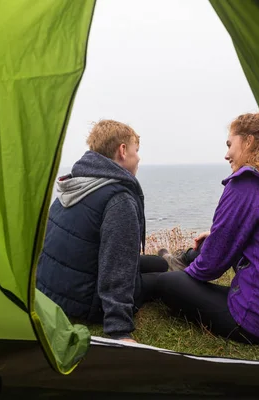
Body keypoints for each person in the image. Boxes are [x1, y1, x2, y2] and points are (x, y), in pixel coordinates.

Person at [155, 112, 259, 345]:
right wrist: (215, 239)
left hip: (258, 322)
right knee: (197, 255)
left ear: (249, 141)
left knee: (166, 283)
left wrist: (186, 277)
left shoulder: (246, 183)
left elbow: (211, 267)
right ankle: (175, 260)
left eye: (230, 144)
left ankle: (170, 266)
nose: (226, 154)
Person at [36, 120, 167, 343]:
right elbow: (116, 265)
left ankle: (168, 260)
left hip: (53, 293)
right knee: (164, 280)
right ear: (123, 151)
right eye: (137, 151)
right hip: (86, 303)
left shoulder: (78, 184)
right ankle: (172, 267)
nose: (139, 158)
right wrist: (119, 330)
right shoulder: (119, 199)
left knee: (159, 264)